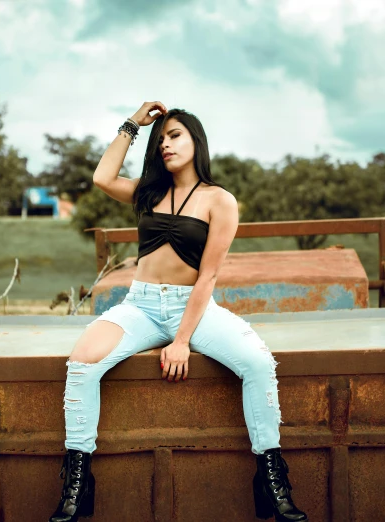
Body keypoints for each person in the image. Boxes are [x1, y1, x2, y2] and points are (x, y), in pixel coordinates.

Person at [49, 101, 308, 522]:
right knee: (81, 363)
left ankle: (272, 481)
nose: (166, 145)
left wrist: (183, 340)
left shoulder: (219, 200)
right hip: (141, 306)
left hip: (195, 308)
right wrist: (134, 124)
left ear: (195, 140)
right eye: (161, 139)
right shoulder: (148, 192)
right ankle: (77, 485)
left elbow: (207, 277)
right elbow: (101, 177)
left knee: (259, 363)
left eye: (175, 136)